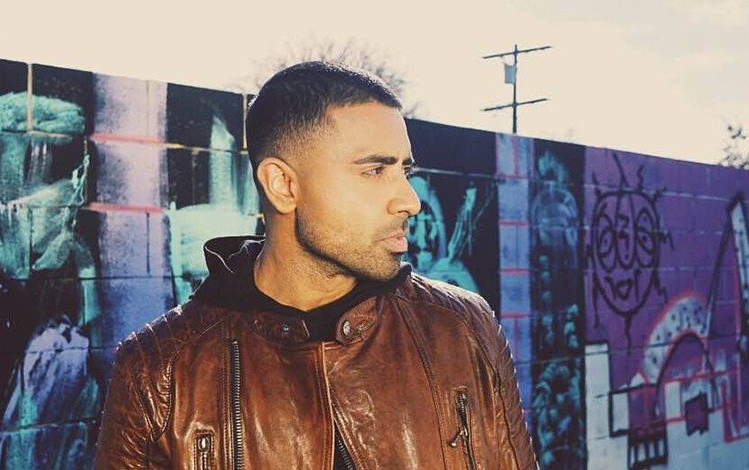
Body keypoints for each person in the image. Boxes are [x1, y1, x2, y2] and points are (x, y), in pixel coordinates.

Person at [96, 61, 537, 469]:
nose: (409, 200)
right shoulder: (158, 368)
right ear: (283, 185)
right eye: (374, 171)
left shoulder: (462, 328)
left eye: (404, 171)